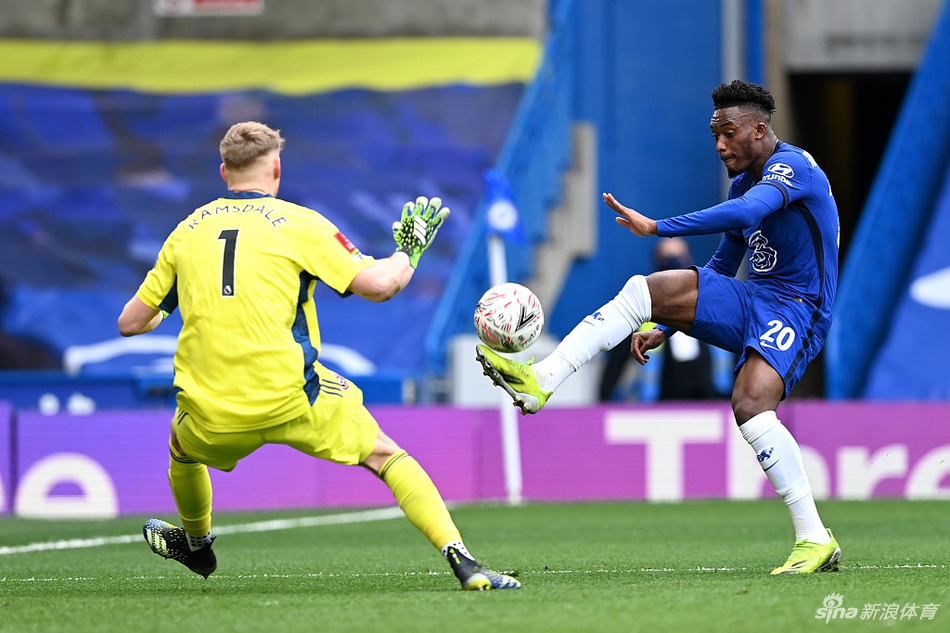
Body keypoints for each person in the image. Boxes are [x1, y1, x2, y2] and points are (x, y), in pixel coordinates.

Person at [118, 121, 519, 590]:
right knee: (386, 456)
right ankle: (463, 561)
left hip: (212, 411)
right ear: (277, 167)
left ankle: (198, 543)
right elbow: (381, 286)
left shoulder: (186, 232)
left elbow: (131, 322)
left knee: (182, 449)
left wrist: (170, 308)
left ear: (224, 171)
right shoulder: (300, 224)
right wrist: (409, 252)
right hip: (294, 398)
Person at [476, 80, 841, 575]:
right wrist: (667, 325)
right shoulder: (741, 182)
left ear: (759, 129)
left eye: (729, 133)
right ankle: (542, 379)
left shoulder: (793, 167)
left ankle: (814, 538)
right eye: (715, 135)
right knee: (645, 291)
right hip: (756, 296)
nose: (719, 145)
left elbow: (751, 212)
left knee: (751, 405)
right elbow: (721, 265)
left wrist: (659, 226)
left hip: (799, 308)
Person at [598, 237, 725, 402]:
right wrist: (602, 404)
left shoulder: (711, 308)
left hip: (711, 405)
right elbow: (615, 366)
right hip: (660, 407)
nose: (675, 263)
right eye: (667, 258)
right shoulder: (641, 313)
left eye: (680, 257)